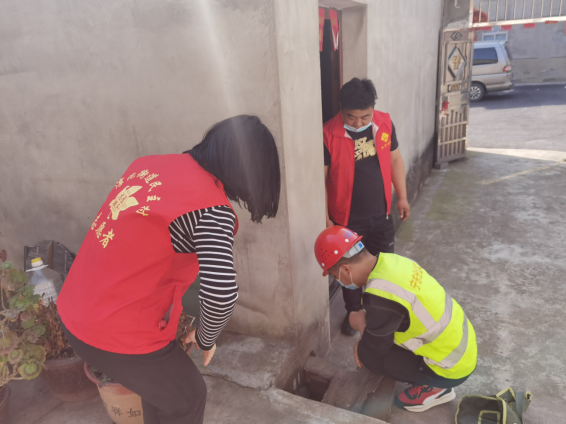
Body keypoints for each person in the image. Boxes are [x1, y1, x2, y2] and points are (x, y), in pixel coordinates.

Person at [57, 115, 281, 424]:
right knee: (188, 398)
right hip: (115, 330)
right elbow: (221, 294)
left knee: (163, 396)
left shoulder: (147, 166)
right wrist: (205, 337)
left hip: (75, 307)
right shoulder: (210, 211)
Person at [314, 226, 477, 412]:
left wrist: (360, 326)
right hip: (463, 349)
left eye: (335, 276)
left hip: (451, 368)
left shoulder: (381, 297)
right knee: (375, 336)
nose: (339, 281)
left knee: (367, 355)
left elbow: (375, 347)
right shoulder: (392, 262)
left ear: (345, 269)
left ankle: (436, 388)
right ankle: (427, 375)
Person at [323, 78, 410, 336]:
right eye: (352, 117)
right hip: (346, 219)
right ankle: (354, 312)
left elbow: (395, 160)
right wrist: (326, 218)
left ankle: (380, 311)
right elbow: (320, 179)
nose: (359, 123)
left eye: (365, 116)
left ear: (373, 109)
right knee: (349, 270)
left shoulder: (384, 123)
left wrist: (402, 197)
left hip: (381, 214)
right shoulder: (328, 134)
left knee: (385, 265)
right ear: (341, 109)